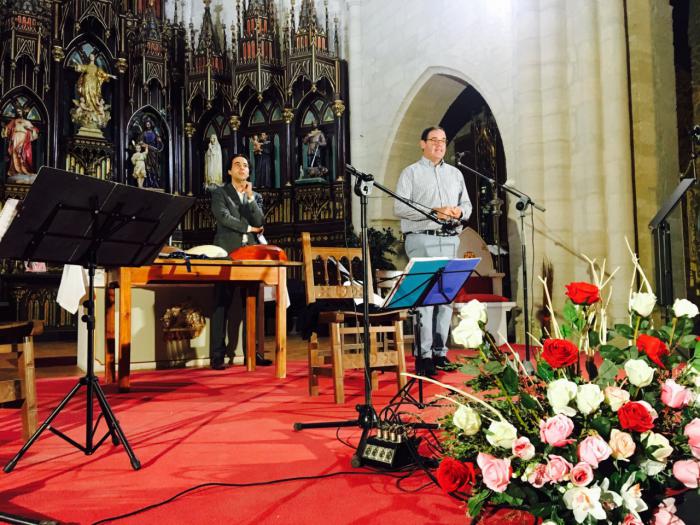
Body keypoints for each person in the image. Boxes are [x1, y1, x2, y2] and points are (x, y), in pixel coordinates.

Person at [394, 126, 472, 377]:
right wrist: (432, 212)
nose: (439, 145)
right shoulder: (411, 173)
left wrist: (460, 212)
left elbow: (467, 205)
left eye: (443, 141)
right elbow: (400, 207)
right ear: (422, 143)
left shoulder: (456, 174)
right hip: (422, 239)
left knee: (445, 298)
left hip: (449, 239)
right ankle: (423, 355)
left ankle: (440, 353)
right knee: (426, 300)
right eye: (434, 140)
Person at [209, 154, 271, 369]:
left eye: (245, 165)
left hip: (251, 254)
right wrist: (248, 228)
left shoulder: (255, 196)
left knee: (252, 305)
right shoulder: (220, 193)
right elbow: (223, 217)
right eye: (237, 165)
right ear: (229, 171)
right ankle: (217, 355)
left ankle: (252, 353)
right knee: (221, 304)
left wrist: (251, 199)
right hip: (226, 252)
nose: (242, 168)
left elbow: (260, 221)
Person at [2, 108, 39, 179]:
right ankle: (16, 170)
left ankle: (24, 170)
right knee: (15, 152)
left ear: (23, 112)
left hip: (24, 138)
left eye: (20, 111)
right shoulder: (14, 121)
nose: (19, 113)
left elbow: (35, 130)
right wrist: (4, 127)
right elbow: (8, 128)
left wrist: (30, 129)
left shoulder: (27, 121)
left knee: (22, 153)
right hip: (15, 137)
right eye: (18, 112)